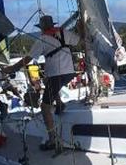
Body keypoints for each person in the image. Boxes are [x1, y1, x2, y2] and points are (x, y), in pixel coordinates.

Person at [21, 14, 82, 151]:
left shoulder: (42, 39)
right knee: (50, 83)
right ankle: (60, 104)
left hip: (57, 75)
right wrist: (81, 28)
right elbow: (79, 41)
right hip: (69, 72)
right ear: (52, 25)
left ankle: (52, 139)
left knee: (44, 107)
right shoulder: (63, 32)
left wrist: (12, 68)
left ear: (42, 27)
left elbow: (28, 58)